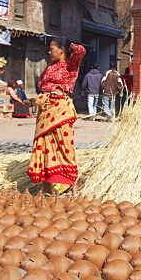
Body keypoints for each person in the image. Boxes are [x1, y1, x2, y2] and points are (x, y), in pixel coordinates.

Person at [27, 37, 86, 194]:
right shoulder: (50, 66)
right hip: (45, 109)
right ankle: (47, 188)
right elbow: (43, 86)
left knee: (63, 144)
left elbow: (81, 50)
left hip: (61, 109)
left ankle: (73, 185)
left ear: (62, 50)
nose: (49, 51)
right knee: (44, 145)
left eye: (52, 48)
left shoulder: (70, 65)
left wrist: (68, 44)